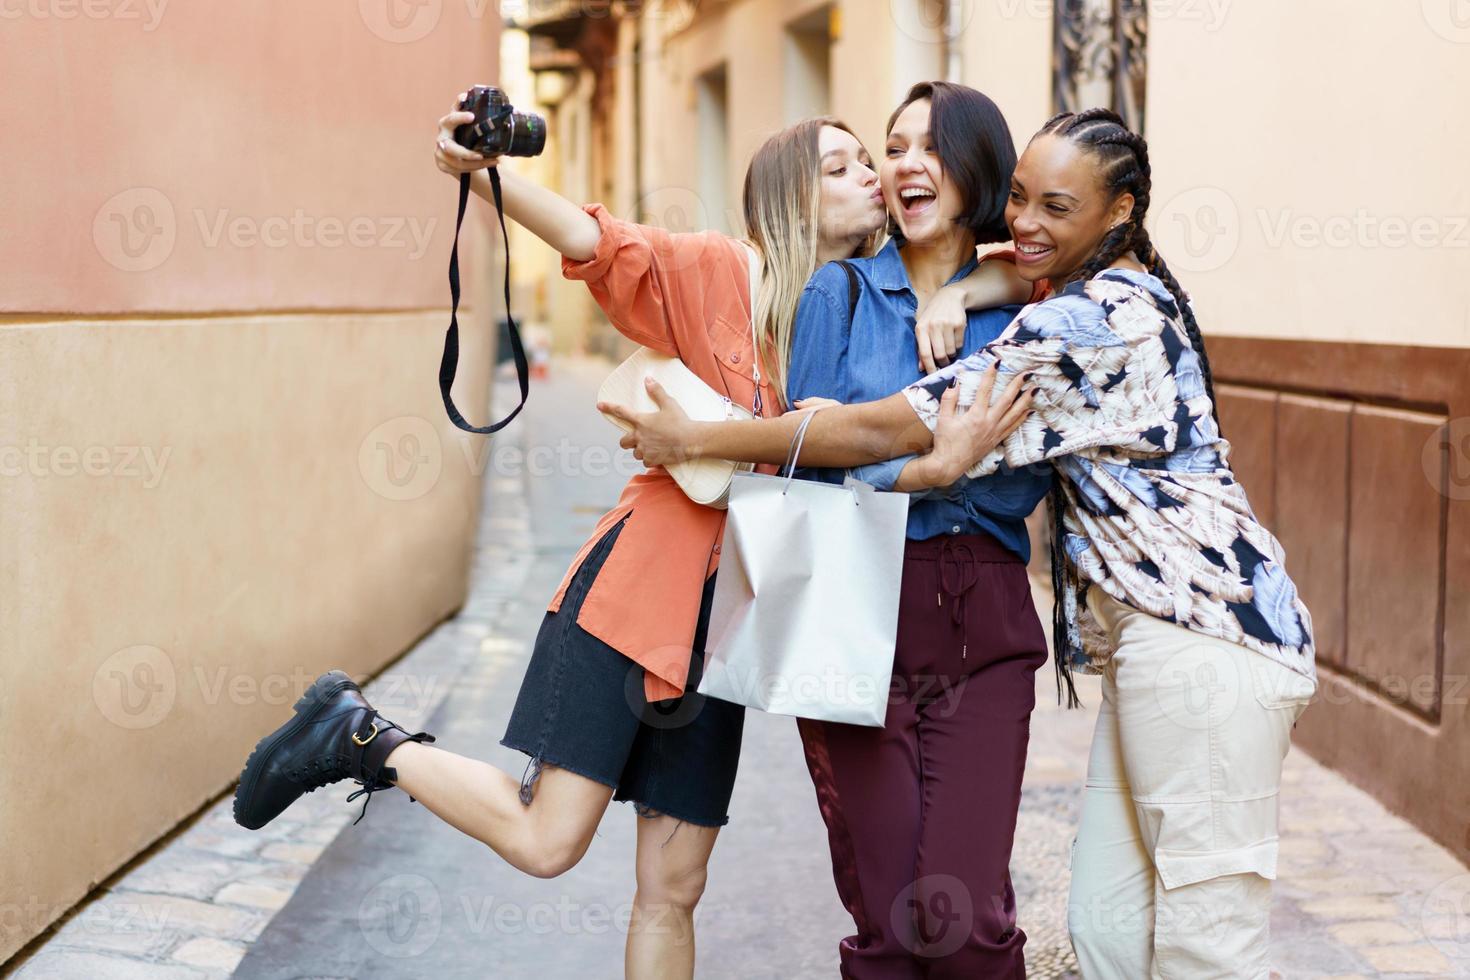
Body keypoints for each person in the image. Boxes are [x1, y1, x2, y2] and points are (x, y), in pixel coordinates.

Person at [229, 93, 1032, 979]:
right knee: (547, 840)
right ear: (788, 199)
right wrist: (491, 179)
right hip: (638, 591)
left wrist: (963, 289)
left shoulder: (860, 309)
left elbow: (1007, 269)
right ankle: (360, 736)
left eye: (869, 162)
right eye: (842, 166)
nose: (875, 177)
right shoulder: (727, 272)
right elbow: (598, 242)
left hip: (724, 630)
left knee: (673, 887)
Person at [604, 108, 1318, 979]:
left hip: (1205, 631)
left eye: (1056, 207)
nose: (1026, 223)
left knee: (1187, 938)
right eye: (1020, 199)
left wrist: (704, 441)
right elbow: (1012, 282)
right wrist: (960, 291)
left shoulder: (1086, 323)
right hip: (1125, 638)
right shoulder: (1031, 290)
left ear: (1119, 212)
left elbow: (887, 427)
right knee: (1099, 930)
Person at [783, 81, 1051, 979]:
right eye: (893, 146)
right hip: (856, 613)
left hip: (986, 622)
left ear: (977, 167)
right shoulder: (841, 294)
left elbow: (1021, 489)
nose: (904, 164)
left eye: (930, 146)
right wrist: (935, 465)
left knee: (966, 926)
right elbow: (801, 456)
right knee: (891, 929)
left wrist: (873, 449)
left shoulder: (1030, 309)